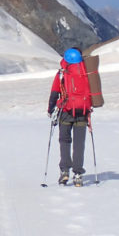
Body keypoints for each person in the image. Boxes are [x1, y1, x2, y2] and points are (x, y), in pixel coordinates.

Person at [48, 47, 92, 186]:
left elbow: (55, 92)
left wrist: (50, 109)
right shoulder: (86, 72)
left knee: (65, 141)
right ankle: (78, 174)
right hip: (83, 112)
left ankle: (65, 171)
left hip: (66, 112)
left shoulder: (62, 73)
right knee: (79, 144)